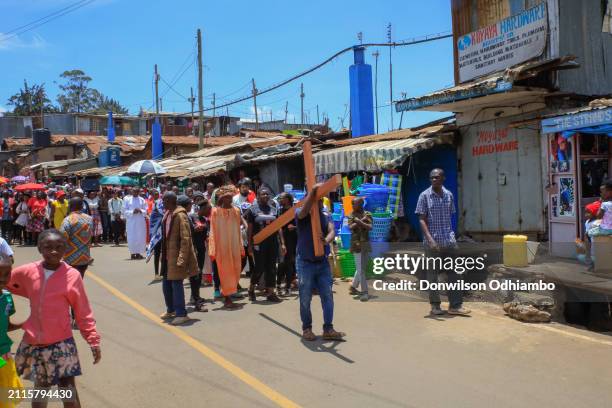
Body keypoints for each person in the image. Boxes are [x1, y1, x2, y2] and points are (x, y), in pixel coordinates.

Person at [9, 229, 101, 407]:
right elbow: (6, 280)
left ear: (66, 249)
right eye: (48, 247)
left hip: (62, 342)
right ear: (39, 248)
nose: (54, 251)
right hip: (35, 342)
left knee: (68, 391)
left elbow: (83, 311)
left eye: (59, 247)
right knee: (41, 389)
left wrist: (93, 340)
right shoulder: (28, 271)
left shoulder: (72, 275)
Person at [416, 168, 470, 316]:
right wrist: (430, 239)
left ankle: (456, 306)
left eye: (436, 177)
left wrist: (452, 235)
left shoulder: (449, 195)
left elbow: (450, 216)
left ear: (443, 179)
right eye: (431, 178)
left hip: (449, 241)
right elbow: (421, 219)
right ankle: (435, 306)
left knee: (454, 273)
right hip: (432, 243)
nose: (433, 180)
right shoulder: (424, 196)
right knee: (432, 275)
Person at [296, 184, 345, 341]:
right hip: (305, 262)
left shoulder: (325, 211)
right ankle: (307, 328)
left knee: (327, 295)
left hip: (322, 262)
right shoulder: (301, 209)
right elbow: (303, 214)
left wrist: (326, 240)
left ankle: (328, 329)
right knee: (305, 298)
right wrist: (313, 194)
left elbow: (331, 230)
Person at [159, 193, 198, 326]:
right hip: (167, 257)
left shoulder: (180, 215)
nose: (162, 203)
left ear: (171, 201)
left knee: (176, 285)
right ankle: (171, 310)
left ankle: (182, 314)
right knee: (166, 285)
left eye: (164, 201)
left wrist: (182, 258)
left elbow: (186, 239)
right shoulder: (168, 214)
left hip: (176, 257)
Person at [209, 185, 244, 309]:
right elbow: (212, 231)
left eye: (231, 197)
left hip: (234, 246)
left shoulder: (236, 211)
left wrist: (240, 246)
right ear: (222, 199)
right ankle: (227, 298)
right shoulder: (215, 212)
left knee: (236, 269)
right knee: (225, 272)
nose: (229, 200)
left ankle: (230, 293)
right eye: (227, 198)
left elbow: (238, 231)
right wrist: (213, 248)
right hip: (222, 248)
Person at [245, 187, 283, 303]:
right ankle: (251, 289)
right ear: (258, 196)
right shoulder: (252, 210)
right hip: (259, 243)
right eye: (263, 194)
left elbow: (278, 226)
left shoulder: (274, 209)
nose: (265, 196)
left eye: (267, 194)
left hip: (273, 242)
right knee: (259, 268)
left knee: (271, 267)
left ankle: (270, 292)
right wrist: (250, 244)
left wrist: (282, 243)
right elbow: (249, 229)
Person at [0, 255, 23, 407]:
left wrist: (26, 323)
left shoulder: (7, 298)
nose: (2, 279)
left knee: (7, 393)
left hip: (3, 353)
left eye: (7, 274)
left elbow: (6, 326)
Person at [185, 196, 209, 310]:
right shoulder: (192, 217)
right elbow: (190, 230)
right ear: (202, 208)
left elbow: (206, 232)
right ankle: (193, 298)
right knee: (195, 274)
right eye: (208, 208)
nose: (209, 210)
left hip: (202, 249)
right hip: (194, 250)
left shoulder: (205, 219)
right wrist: (196, 229)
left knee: (199, 274)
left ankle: (197, 296)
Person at [59, 197, 93, 278]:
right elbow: (89, 236)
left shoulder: (68, 220)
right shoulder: (89, 219)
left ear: (70, 206)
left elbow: (62, 238)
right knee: (79, 280)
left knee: (70, 283)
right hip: (84, 257)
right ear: (82, 207)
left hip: (70, 259)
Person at [347, 196, 372, 301]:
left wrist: (358, 221)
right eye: (352, 203)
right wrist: (362, 221)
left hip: (365, 244)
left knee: (361, 268)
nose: (353, 205)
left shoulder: (368, 214)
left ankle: (353, 287)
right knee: (361, 269)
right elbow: (350, 227)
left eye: (355, 203)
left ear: (361, 204)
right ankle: (364, 292)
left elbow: (370, 227)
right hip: (356, 245)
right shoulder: (351, 215)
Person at [277, 192, 297, 296]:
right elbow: (279, 227)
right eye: (279, 198)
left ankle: (288, 286)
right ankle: (278, 284)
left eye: (282, 198)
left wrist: (294, 227)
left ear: (288, 199)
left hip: (293, 240)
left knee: (290, 263)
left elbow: (301, 224)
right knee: (282, 263)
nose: (280, 199)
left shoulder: (295, 210)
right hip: (282, 239)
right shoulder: (279, 211)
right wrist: (283, 243)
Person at [123, 187, 148, 260]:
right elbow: (124, 210)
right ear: (132, 192)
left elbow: (146, 210)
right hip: (131, 222)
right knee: (132, 237)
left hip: (140, 221)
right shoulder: (127, 199)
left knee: (140, 237)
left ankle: (138, 253)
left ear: (139, 192)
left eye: (137, 192)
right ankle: (132, 253)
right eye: (134, 192)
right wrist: (132, 211)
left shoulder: (142, 200)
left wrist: (140, 210)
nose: (135, 193)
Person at [149, 190, 164, 280]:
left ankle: (163, 272)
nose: (156, 196)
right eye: (155, 194)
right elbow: (153, 220)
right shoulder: (154, 205)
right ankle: (156, 274)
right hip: (157, 233)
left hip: (164, 232)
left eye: (157, 194)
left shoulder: (163, 204)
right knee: (157, 253)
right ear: (152, 196)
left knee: (165, 253)